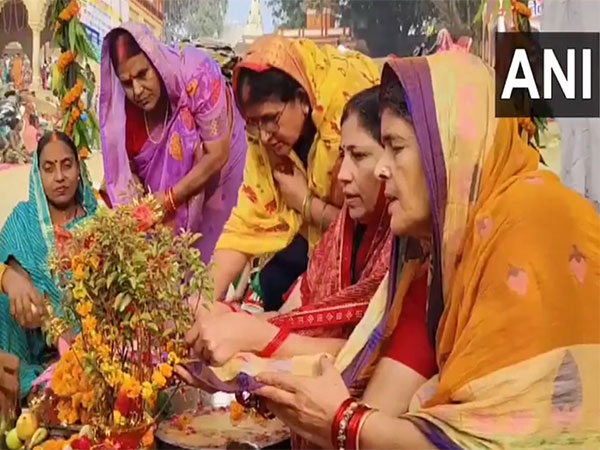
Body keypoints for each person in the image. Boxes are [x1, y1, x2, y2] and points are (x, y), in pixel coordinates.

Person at [254, 52, 600, 448]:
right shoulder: (446, 250)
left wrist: (344, 422)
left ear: (450, 146)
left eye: (394, 147)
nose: (380, 169)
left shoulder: (532, 222)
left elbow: (498, 438)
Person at [184, 86, 396, 363]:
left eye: (360, 156)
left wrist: (253, 335)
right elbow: (297, 315)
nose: (341, 175)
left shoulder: (408, 250)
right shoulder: (342, 233)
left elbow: (368, 356)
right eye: (343, 155)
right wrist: (231, 317)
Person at [211, 35, 381, 310]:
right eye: (254, 123)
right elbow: (247, 221)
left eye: (271, 119)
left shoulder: (348, 114)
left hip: (367, 256)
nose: (264, 136)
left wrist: (305, 203)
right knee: (266, 292)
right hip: (310, 242)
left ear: (302, 99)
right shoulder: (264, 139)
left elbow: (373, 230)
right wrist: (201, 301)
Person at [99, 22, 247, 264]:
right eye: (126, 83)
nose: (137, 90)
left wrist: (167, 200)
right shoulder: (124, 114)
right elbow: (127, 175)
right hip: (164, 209)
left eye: (142, 74)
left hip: (219, 182)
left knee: (212, 265)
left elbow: (217, 155)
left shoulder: (197, 73)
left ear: (155, 61)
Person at [0, 131, 98, 398]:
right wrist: (54, 330)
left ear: (79, 169)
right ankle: (24, 388)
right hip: (36, 340)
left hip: (92, 342)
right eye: (49, 168)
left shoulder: (99, 222)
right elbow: (17, 283)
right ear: (37, 174)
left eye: (67, 165)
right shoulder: (23, 220)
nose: (59, 177)